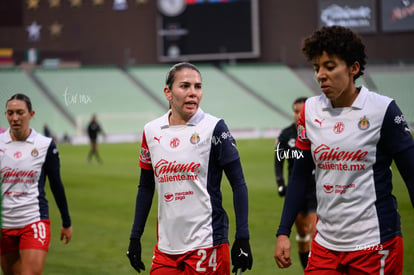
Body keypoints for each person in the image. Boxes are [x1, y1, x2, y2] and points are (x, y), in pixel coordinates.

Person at [273, 25, 414, 274]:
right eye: (317, 68)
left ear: (353, 68)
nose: (320, 75)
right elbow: (300, 174)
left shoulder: (383, 110)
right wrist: (283, 231)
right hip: (325, 245)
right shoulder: (310, 111)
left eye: (329, 66)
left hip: (375, 243)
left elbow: (411, 173)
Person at [126, 62, 253, 274]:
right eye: (185, 86)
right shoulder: (151, 131)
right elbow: (146, 186)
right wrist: (135, 237)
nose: (193, 93)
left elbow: (238, 183)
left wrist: (243, 237)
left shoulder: (214, 128)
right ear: (168, 92)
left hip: (207, 242)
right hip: (166, 249)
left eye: (197, 86)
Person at [0, 93, 73, 275]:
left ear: (31, 114)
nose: (15, 118)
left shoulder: (45, 145)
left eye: (20, 112)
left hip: (33, 221)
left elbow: (56, 185)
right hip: (5, 224)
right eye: (10, 113)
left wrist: (66, 221)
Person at [274, 96, 317, 269]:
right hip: (295, 188)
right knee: (302, 233)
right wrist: (280, 182)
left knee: (315, 231)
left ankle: (317, 268)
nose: (298, 115)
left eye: (301, 111)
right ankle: (307, 268)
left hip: (315, 188)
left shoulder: (318, 131)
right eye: (295, 111)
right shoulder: (286, 134)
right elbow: (278, 161)